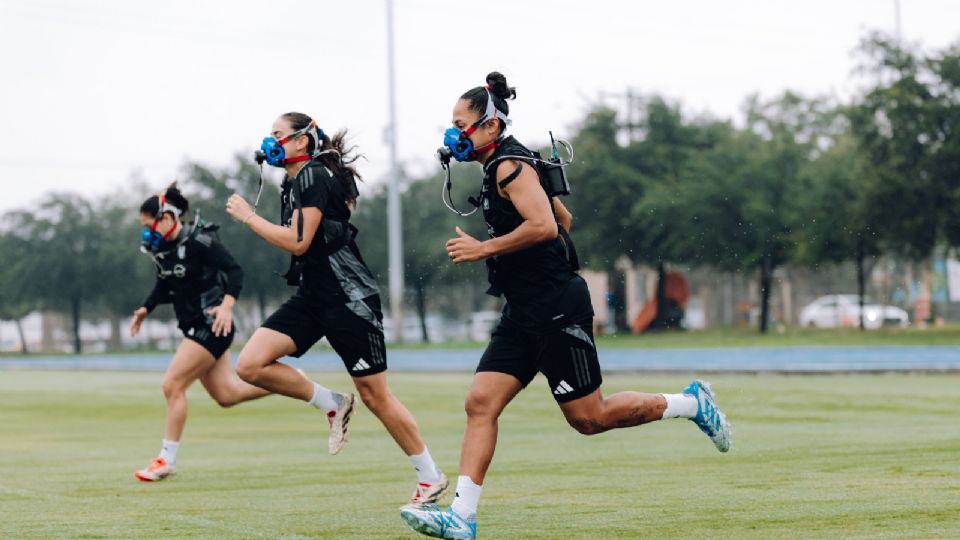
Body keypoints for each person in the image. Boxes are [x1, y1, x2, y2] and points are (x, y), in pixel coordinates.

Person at [400, 73, 732, 539]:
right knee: (480, 403)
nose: (454, 135)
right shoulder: (504, 166)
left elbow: (545, 227)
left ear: (491, 126)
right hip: (523, 311)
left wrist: (484, 249)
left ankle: (691, 404)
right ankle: (462, 517)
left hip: (556, 308)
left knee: (590, 419)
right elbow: (564, 218)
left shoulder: (509, 166)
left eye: (461, 125)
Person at [224, 112, 447, 507]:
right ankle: (331, 403)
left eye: (278, 134)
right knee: (250, 365)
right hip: (313, 296)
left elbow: (298, 241)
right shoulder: (295, 181)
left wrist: (248, 217)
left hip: (349, 298)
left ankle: (430, 477)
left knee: (376, 396)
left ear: (302, 140)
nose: (270, 141)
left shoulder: (312, 175)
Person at [131, 183, 270, 481]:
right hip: (196, 328)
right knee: (227, 395)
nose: (145, 232)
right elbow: (164, 284)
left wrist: (228, 305)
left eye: (148, 224)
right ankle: (291, 381)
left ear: (167, 218)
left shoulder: (200, 241)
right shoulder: (164, 250)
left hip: (211, 325)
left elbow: (235, 271)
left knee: (172, 385)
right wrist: (146, 308)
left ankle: (166, 460)